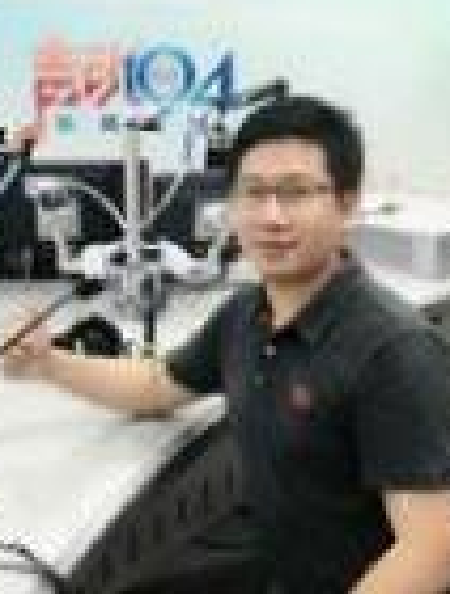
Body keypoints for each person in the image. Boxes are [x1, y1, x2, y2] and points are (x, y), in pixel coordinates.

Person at [4, 96, 450, 594]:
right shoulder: (247, 314)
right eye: (253, 193)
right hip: (279, 567)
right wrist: (48, 363)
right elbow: (156, 384)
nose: (272, 217)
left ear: (346, 204)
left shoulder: (394, 350)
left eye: (296, 193)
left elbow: (429, 553)